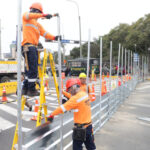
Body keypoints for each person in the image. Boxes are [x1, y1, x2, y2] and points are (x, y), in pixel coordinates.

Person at [22, 2, 60, 96]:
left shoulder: (37, 25)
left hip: (33, 48)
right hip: (28, 47)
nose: (38, 17)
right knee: (33, 70)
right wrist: (44, 15)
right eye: (38, 14)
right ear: (35, 11)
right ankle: (31, 90)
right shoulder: (26, 17)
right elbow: (30, 15)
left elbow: (45, 34)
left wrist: (55, 37)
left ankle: (25, 89)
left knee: (29, 70)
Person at [47, 78, 96, 150]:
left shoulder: (75, 99)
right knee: (91, 147)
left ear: (74, 87)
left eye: (69, 89)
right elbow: (73, 98)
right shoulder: (84, 94)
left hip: (80, 129)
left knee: (77, 148)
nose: (69, 92)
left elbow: (62, 108)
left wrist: (52, 114)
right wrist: (63, 92)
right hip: (89, 126)